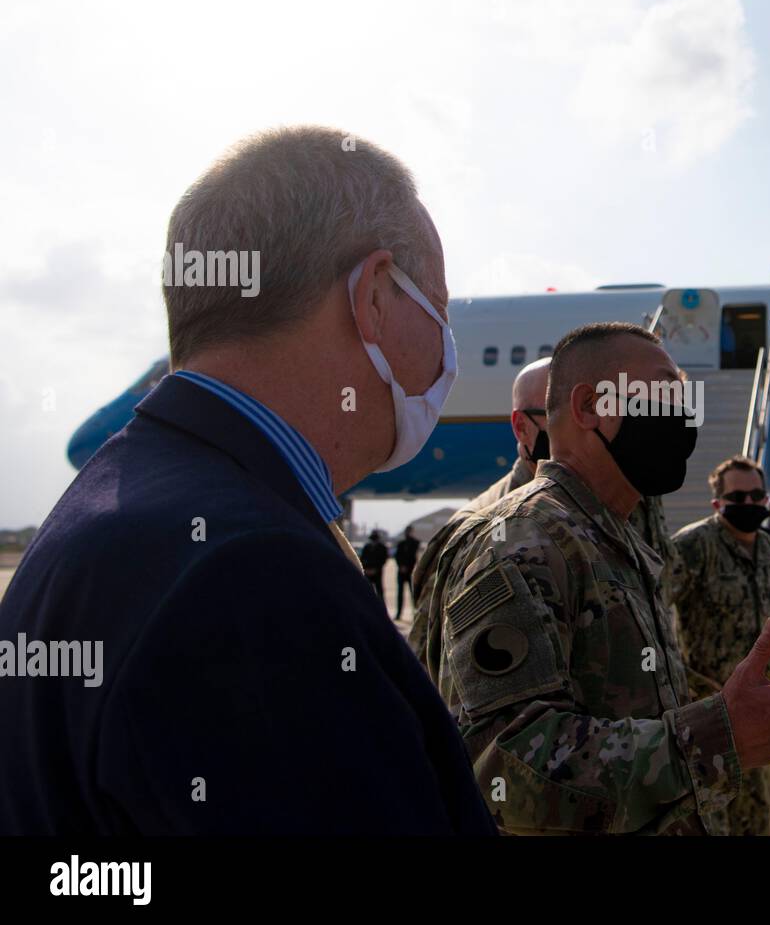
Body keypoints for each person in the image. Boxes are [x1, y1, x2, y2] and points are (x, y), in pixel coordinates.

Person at [0, 126, 494, 834]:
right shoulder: (252, 577)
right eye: (439, 309)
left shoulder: (118, 507)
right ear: (376, 297)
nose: (447, 346)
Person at [424, 322, 770, 834]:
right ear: (588, 407)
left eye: (683, 396)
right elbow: (502, 771)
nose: (681, 412)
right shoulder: (519, 542)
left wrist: (735, 714)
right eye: (660, 393)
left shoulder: (616, 540)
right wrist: (719, 735)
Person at [670, 455, 770, 836]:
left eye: (756, 496)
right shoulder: (693, 547)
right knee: (711, 823)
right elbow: (652, 613)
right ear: (717, 503)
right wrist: (689, 684)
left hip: (759, 715)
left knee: (755, 819)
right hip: (707, 716)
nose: (748, 504)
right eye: (737, 497)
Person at [408, 356, 550, 671]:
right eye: (558, 415)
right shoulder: (475, 537)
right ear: (522, 427)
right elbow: (425, 679)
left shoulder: (625, 510)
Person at [393, 526, 421, 620]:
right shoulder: (401, 544)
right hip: (402, 571)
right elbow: (397, 556)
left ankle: (415, 613)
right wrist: (401, 566)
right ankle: (399, 613)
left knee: (413, 594)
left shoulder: (415, 543)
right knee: (400, 593)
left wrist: (408, 567)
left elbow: (414, 557)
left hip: (410, 571)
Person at [361, 530, 389, 603]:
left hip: (378, 572)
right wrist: (366, 569)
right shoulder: (366, 547)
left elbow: (384, 559)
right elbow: (362, 559)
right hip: (367, 572)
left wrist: (376, 569)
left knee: (379, 591)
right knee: (367, 591)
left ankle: (381, 608)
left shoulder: (382, 547)